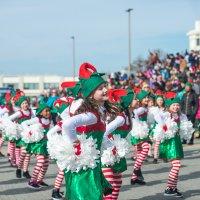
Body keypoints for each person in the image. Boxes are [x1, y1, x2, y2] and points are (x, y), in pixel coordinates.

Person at [62, 70, 112, 200]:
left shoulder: (99, 111)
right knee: (89, 196)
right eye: (100, 88)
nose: (105, 89)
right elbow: (67, 124)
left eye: (105, 86)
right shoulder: (91, 115)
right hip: (86, 163)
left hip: (93, 161)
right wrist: (75, 142)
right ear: (91, 95)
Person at [159, 92, 184, 198]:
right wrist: (164, 127)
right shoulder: (166, 115)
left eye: (177, 105)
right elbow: (159, 119)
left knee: (176, 166)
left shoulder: (180, 115)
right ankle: (169, 188)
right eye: (174, 105)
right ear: (169, 106)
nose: (176, 106)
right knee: (177, 165)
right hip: (170, 142)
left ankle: (173, 188)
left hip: (177, 141)